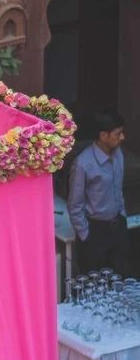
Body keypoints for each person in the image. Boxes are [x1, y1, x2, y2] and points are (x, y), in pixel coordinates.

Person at [67, 110, 129, 276]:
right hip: (95, 232)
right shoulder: (83, 164)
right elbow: (75, 205)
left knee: (119, 280)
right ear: (103, 135)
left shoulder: (118, 155)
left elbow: (118, 189)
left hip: (118, 227)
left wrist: (122, 215)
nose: (122, 138)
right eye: (118, 134)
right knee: (94, 284)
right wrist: (86, 236)